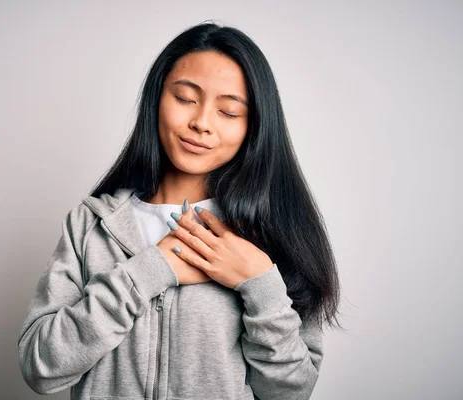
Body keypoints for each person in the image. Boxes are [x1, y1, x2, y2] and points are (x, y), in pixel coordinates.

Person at [17, 21, 340, 400]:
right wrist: (148, 272)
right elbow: (40, 367)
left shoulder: (268, 233)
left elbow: (291, 392)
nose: (201, 123)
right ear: (156, 99)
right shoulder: (91, 225)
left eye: (229, 112)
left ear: (254, 127)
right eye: (185, 98)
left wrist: (259, 282)